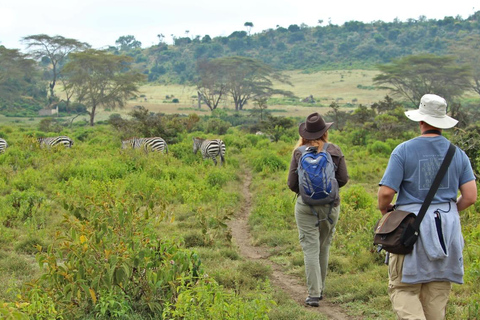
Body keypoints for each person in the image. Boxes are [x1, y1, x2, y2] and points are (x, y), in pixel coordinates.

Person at [377, 94, 477, 320]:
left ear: (420, 121)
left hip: (411, 226)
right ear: (442, 122)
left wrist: (387, 212)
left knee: (403, 288)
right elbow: (470, 197)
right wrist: (448, 212)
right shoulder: (457, 153)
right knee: (437, 292)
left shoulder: (403, 150)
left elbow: (385, 193)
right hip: (447, 230)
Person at [287, 112, 349, 307]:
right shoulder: (335, 150)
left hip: (306, 208)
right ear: (325, 132)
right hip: (331, 207)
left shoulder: (299, 152)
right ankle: (320, 289)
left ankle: (314, 294)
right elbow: (343, 179)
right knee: (324, 246)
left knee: (310, 248)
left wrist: (307, 193)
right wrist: (328, 193)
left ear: (305, 133)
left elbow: (291, 183)